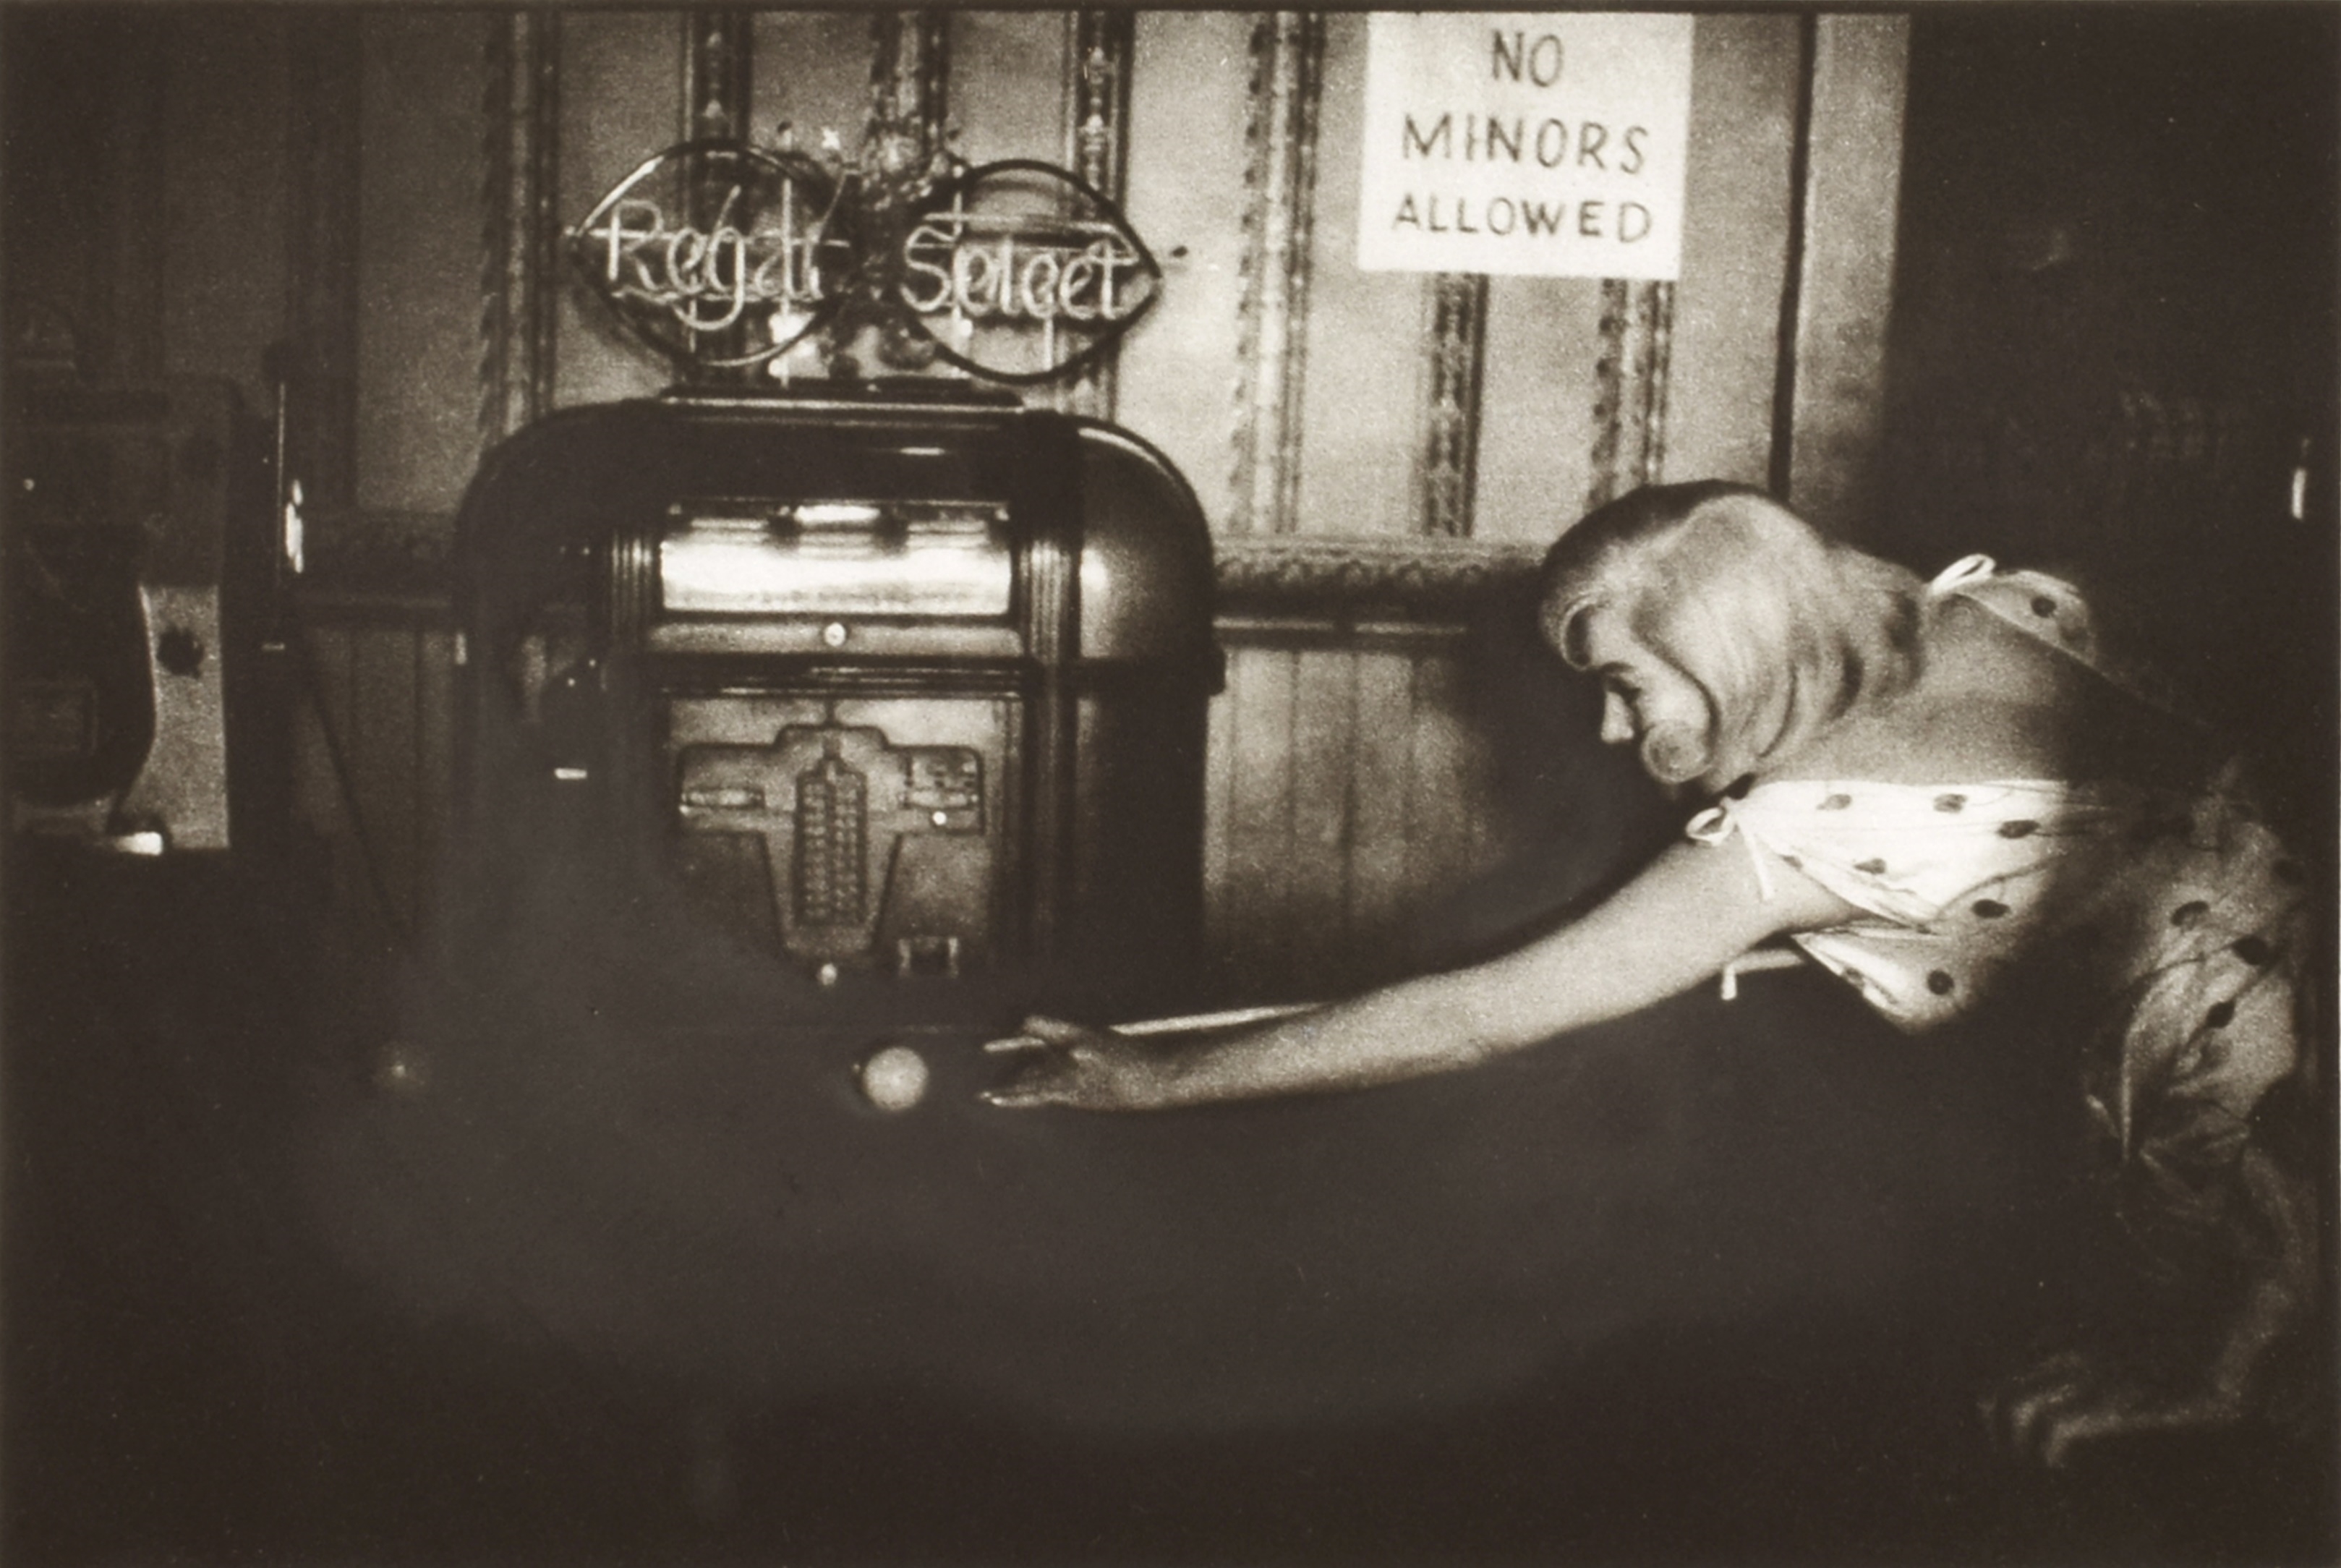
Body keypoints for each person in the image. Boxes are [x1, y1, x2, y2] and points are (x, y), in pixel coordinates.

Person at [981, 480, 2321, 1468]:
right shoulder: (2005, 603)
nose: (1613, 731)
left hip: (2254, 1069)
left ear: (1732, 642)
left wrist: (1148, 1078)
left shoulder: (1804, 831)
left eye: (1627, 685)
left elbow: (1474, 1015)